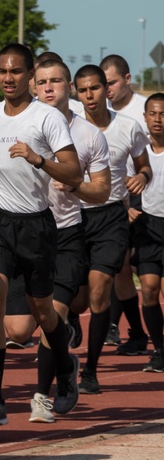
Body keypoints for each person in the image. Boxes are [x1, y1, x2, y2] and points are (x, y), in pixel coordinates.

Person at [0, 43, 82, 428]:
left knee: (43, 312)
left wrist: (37, 159)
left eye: (16, 72)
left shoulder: (47, 118)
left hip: (37, 227)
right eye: (2, 71)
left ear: (30, 75)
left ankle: (65, 366)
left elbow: (73, 173)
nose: (8, 78)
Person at [2, 59, 110, 422]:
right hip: (24, 233)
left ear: (70, 87)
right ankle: (67, 365)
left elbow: (103, 192)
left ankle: (42, 395)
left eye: (57, 81)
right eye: (42, 82)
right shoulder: (14, 125)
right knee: (17, 329)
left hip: (65, 235)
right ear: (33, 86)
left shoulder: (89, 135)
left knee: (55, 314)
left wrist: (76, 185)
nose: (49, 88)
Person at [72, 64, 151, 394]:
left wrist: (142, 178)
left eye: (95, 88)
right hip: (72, 217)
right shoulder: (66, 127)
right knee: (76, 301)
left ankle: (90, 369)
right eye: (83, 90)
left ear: (107, 89)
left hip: (110, 217)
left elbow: (144, 164)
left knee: (101, 288)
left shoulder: (129, 127)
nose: (89, 95)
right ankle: (69, 333)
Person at [101, 54, 151, 354]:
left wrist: (141, 189)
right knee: (116, 267)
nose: (106, 90)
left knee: (134, 268)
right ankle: (131, 331)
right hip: (112, 197)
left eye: (112, 83)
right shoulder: (98, 110)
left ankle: (135, 331)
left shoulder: (144, 110)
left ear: (128, 79)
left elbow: (150, 159)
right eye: (101, 84)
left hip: (143, 195)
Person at [132, 93, 164, 373]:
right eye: (153, 114)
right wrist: (127, 208)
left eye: (163, 114)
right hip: (146, 227)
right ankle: (159, 349)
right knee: (150, 291)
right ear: (145, 117)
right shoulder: (138, 151)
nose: (158, 119)